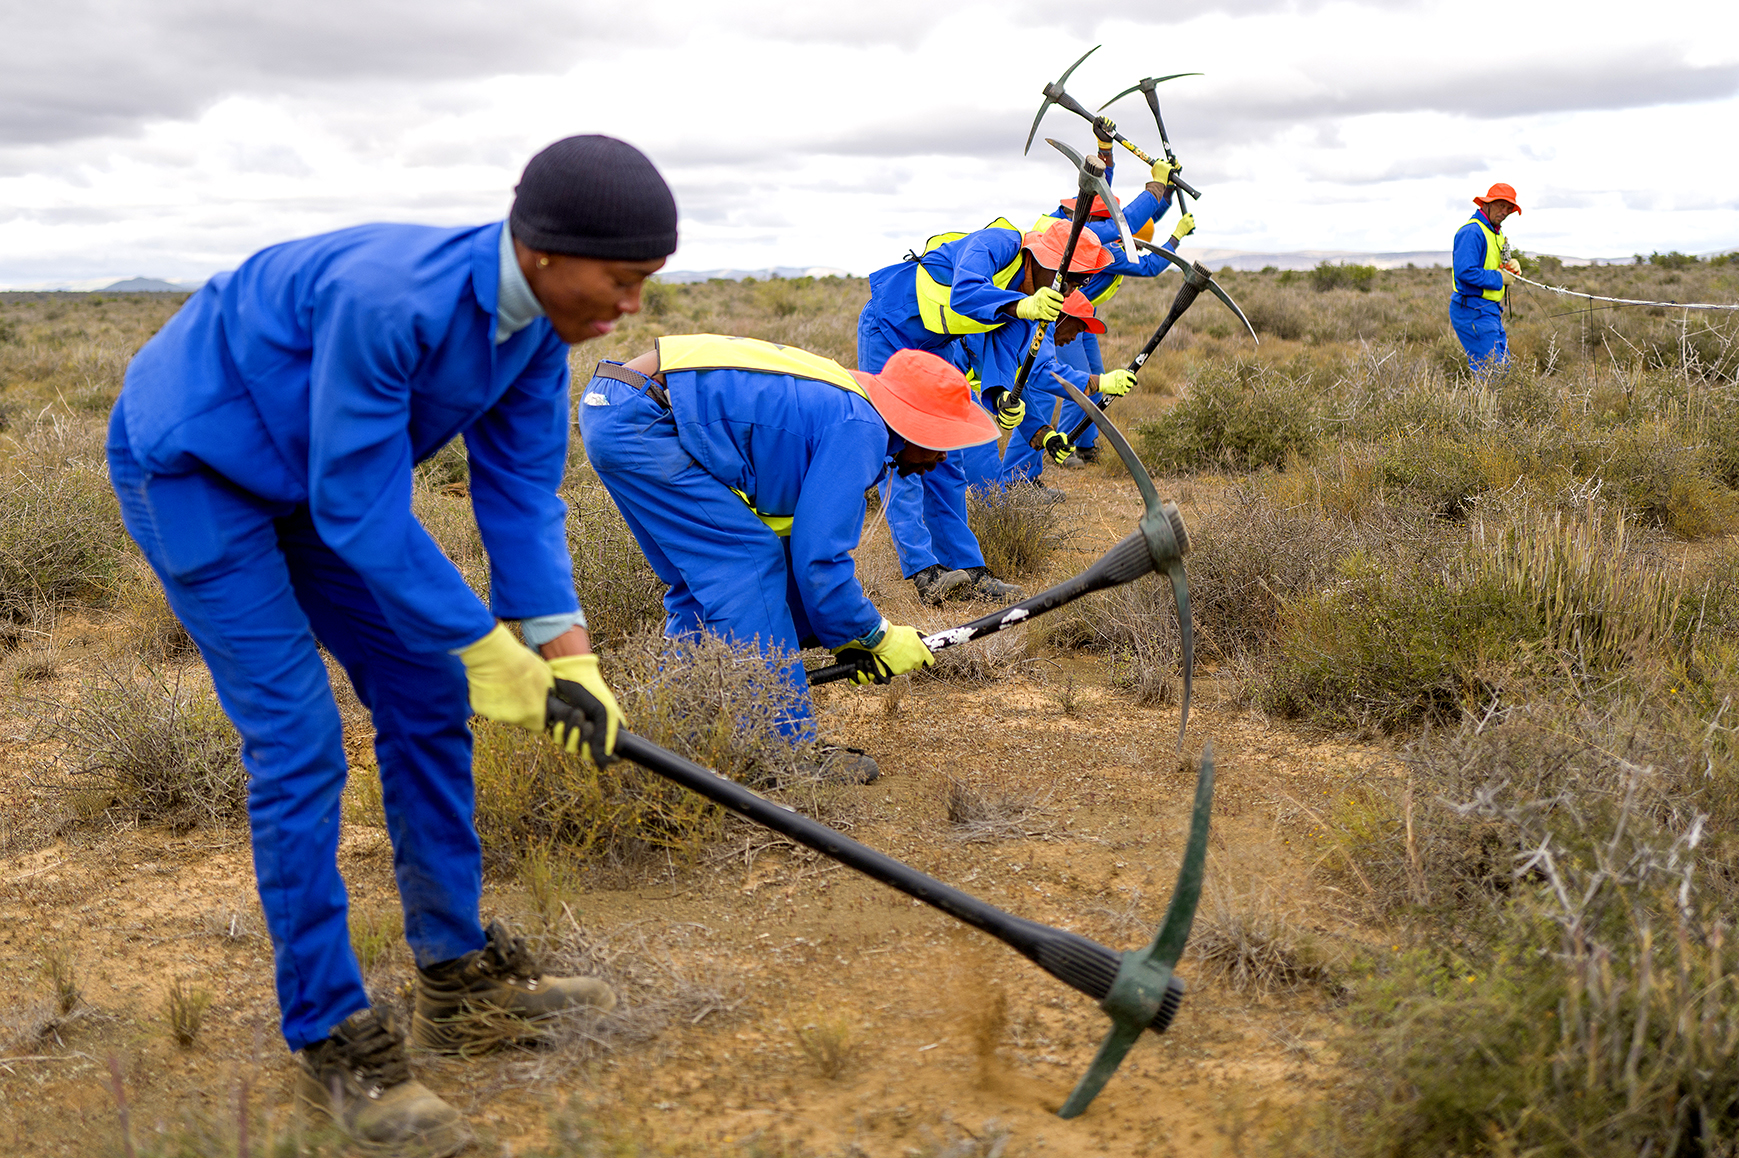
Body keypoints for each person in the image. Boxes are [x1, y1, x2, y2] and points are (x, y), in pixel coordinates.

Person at [106, 135, 675, 1155]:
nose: (630, 305)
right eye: (621, 279)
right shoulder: (392, 299)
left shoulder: (538, 333)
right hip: (195, 471)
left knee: (422, 693)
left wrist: (566, 653)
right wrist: (481, 644)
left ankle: (456, 984)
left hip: (312, 486)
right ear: (542, 249)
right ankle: (329, 1031)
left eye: (645, 283)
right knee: (298, 740)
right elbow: (362, 511)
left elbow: (521, 498)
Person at [577, 335, 999, 780]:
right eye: (941, 439)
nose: (941, 456)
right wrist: (875, 635)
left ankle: (677, 719)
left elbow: (795, 542)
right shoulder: (862, 428)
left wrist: (844, 639)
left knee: (704, 581)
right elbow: (819, 558)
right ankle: (783, 750)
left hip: (619, 405)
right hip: (645, 416)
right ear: (915, 424)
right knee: (747, 564)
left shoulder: (850, 402)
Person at [856, 216, 1122, 602]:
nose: (1068, 288)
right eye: (1067, 277)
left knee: (944, 455)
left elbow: (1001, 364)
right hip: (888, 328)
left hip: (936, 346)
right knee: (903, 448)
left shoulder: (1027, 307)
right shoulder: (998, 244)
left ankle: (969, 569)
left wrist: (1004, 403)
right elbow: (965, 292)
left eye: (1078, 282)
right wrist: (1022, 305)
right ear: (1040, 258)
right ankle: (924, 571)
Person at [1046, 122, 1196, 467]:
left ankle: (1085, 443)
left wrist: (1107, 148)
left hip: (1084, 316)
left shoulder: (1086, 228)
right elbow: (1148, 266)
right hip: (1060, 316)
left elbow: (1104, 190)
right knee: (1079, 383)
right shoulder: (1095, 245)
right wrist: (1174, 235)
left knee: (1095, 374)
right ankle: (1063, 449)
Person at [1451, 182, 1523, 371]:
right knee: (1492, 372)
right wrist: (1500, 278)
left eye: (1509, 208)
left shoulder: (1496, 233)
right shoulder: (1472, 231)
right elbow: (1465, 271)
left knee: (1503, 369)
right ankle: (1483, 402)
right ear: (1487, 203)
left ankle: (1494, 402)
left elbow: (1491, 264)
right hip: (1472, 309)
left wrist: (1509, 267)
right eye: (1501, 205)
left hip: (1490, 310)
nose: (1505, 212)